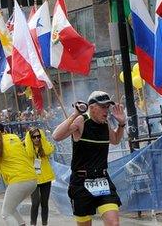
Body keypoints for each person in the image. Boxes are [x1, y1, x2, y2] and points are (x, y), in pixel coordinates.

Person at [52, 91, 126, 226]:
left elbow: (115, 140)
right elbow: (56, 136)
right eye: (102, 107)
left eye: (107, 107)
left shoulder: (105, 124)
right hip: (81, 181)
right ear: (92, 107)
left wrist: (121, 124)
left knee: (114, 224)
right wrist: (75, 114)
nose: (106, 111)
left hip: (102, 179)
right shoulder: (81, 121)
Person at [0, 123, 37, 226]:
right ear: (5, 130)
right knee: (11, 208)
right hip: (32, 179)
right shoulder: (15, 137)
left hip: (18, 181)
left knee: (6, 213)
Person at [25, 127, 55, 226]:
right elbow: (29, 154)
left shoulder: (45, 146)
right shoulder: (26, 148)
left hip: (46, 178)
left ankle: (44, 223)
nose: (37, 138)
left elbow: (48, 151)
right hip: (33, 179)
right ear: (30, 138)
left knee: (44, 203)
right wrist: (28, 141)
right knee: (35, 203)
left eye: (39, 136)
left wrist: (43, 138)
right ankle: (33, 223)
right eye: (34, 137)